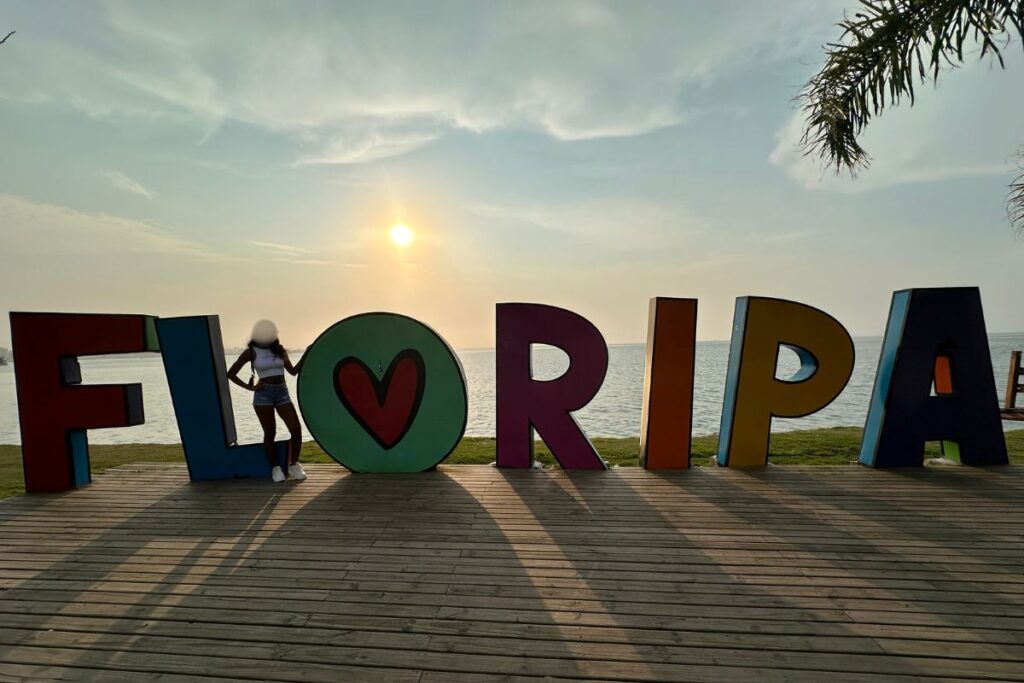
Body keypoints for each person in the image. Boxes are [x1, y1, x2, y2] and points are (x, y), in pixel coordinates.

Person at [227, 319, 305, 483]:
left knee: (296, 429)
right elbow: (231, 373)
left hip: (282, 392)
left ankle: (294, 465)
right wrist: (251, 388)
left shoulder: (279, 350)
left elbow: (292, 371)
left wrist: (307, 353)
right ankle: (276, 469)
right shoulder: (251, 352)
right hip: (263, 395)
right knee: (270, 432)